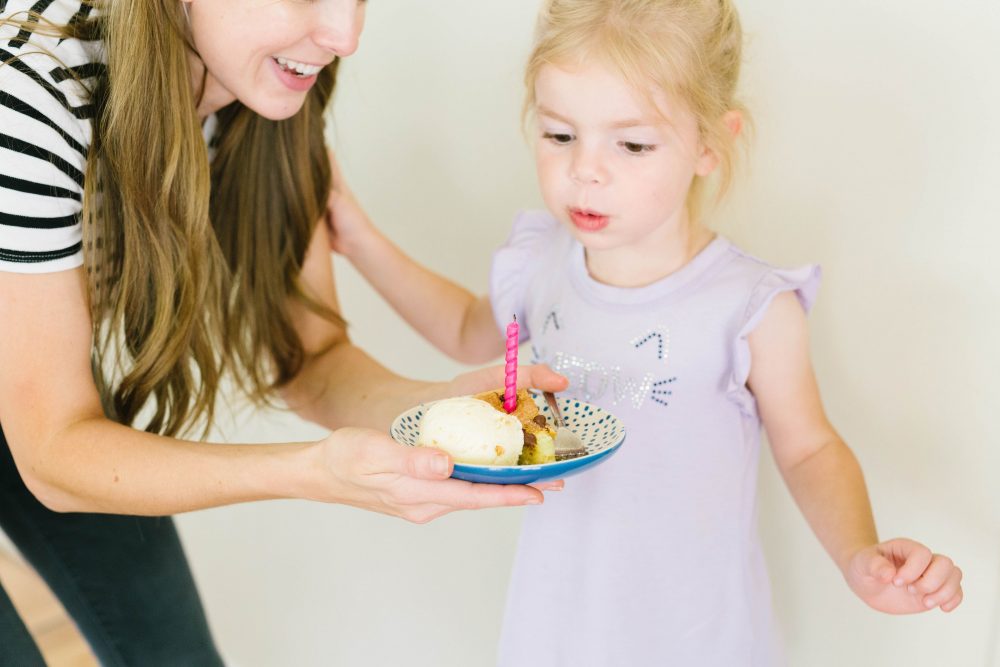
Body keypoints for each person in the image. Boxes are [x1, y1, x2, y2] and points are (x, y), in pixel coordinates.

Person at [325, 0, 965, 664]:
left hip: (697, 642)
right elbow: (465, 329)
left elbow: (809, 450)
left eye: (631, 143)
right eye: (559, 135)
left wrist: (859, 553)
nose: (585, 169)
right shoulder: (540, 261)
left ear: (710, 144)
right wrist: (360, 240)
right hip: (556, 632)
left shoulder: (748, 307)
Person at [0, 0, 567, 664]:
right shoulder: (33, 85)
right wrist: (312, 471)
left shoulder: (262, 89)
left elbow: (310, 356)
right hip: (48, 417)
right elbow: (53, 456)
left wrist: (435, 414)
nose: (343, 36)